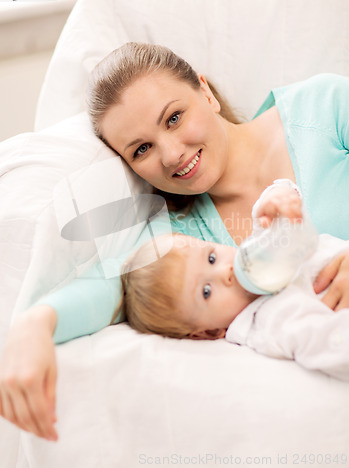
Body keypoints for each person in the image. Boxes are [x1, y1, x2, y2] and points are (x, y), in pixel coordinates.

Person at [1, 42, 349, 440]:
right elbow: (109, 285)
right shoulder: (185, 242)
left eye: (173, 118)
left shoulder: (324, 110)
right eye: (142, 149)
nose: (169, 155)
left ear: (205, 91)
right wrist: (35, 324)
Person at [119, 191, 349, 382]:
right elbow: (333, 347)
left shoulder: (257, 261)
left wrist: (276, 201)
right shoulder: (271, 320)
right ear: (209, 332)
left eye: (211, 258)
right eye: (206, 291)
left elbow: (273, 220)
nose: (225, 272)